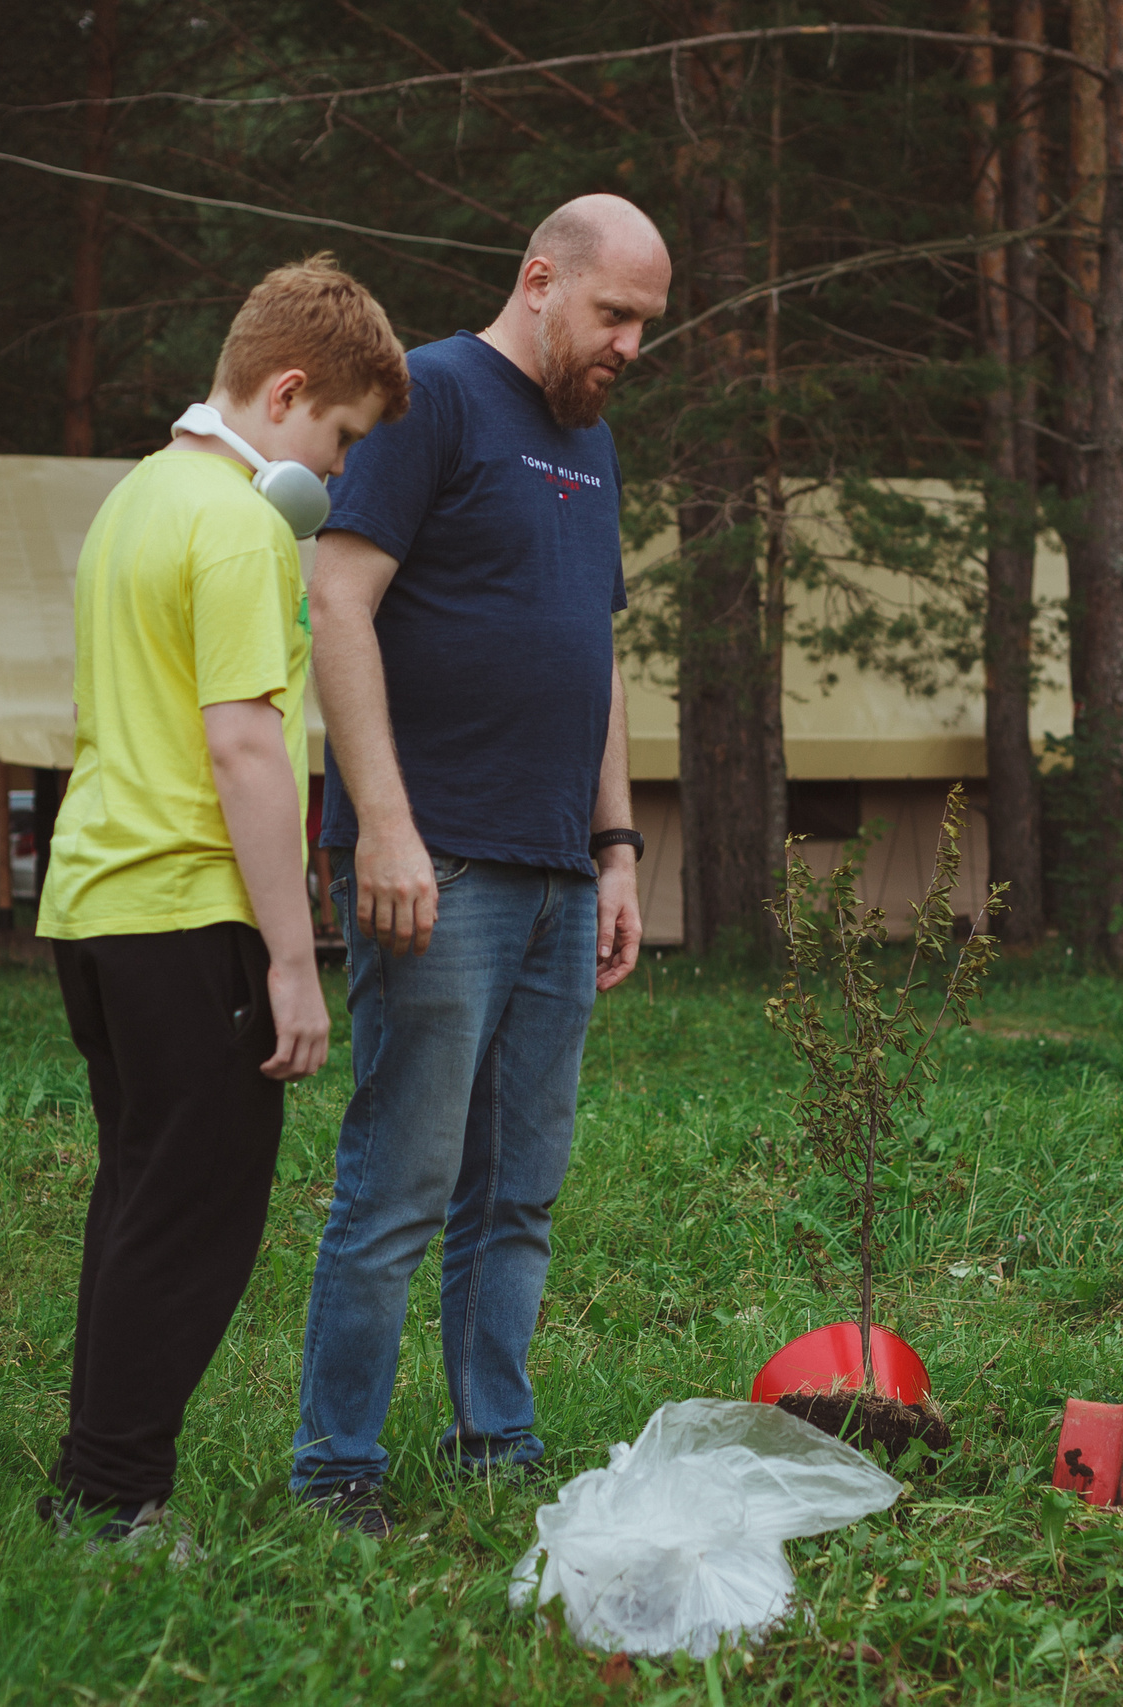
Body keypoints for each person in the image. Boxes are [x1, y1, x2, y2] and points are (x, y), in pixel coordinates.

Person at [291, 194, 670, 1537]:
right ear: (540, 280)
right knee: (400, 1177)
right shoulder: (433, 397)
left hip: (562, 870)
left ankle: (493, 1439)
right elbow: (337, 598)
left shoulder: (592, 440)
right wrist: (379, 821)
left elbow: (594, 653)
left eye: (648, 326)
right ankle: (336, 1463)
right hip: (436, 858)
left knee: (520, 1187)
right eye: (615, 314)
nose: (631, 344)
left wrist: (618, 846)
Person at [33, 254, 407, 1558]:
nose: (345, 472)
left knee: (140, 1195)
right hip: (189, 910)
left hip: (93, 903)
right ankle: (116, 1500)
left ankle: (94, 1482)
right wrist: (295, 960)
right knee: (194, 1214)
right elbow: (247, 746)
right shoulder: (245, 522)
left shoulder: (138, 496)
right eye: (344, 438)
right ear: (290, 389)